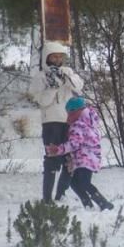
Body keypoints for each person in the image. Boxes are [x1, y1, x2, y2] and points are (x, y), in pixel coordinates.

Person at [30, 41, 84, 203]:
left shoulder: (67, 72)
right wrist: (53, 86)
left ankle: (61, 193)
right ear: (47, 58)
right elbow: (41, 100)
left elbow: (78, 88)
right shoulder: (41, 77)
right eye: (54, 56)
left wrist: (66, 77)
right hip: (51, 122)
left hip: (68, 121)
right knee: (52, 159)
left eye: (60, 57)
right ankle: (47, 197)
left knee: (71, 159)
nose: (57, 60)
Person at [46, 96, 113, 210]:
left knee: (84, 183)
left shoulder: (78, 125)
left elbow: (74, 144)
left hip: (85, 160)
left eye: (70, 113)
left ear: (78, 111)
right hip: (90, 159)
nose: (68, 117)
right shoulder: (89, 122)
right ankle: (87, 204)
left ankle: (103, 203)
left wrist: (58, 149)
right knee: (74, 182)